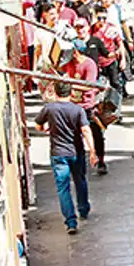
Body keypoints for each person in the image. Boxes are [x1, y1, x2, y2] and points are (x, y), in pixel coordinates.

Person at [35, 81, 98, 234]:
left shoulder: (49, 109)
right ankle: (83, 208)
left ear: (55, 92)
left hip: (58, 153)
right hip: (76, 152)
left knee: (63, 188)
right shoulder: (78, 110)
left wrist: (45, 128)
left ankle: (71, 221)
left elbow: (38, 125)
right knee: (80, 180)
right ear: (71, 93)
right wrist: (93, 151)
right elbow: (86, 130)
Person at [61, 39, 108, 175]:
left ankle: (100, 159)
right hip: (72, 104)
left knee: (95, 133)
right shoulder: (69, 63)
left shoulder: (89, 64)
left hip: (87, 105)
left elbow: (89, 85)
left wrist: (70, 84)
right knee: (73, 136)